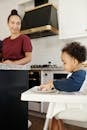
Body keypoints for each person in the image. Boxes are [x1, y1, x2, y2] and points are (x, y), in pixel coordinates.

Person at [40, 42, 87, 130]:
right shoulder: (77, 73)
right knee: (54, 108)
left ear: (75, 61)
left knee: (52, 111)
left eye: (64, 62)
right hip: (74, 103)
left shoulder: (81, 73)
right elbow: (68, 82)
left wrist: (53, 83)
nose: (63, 65)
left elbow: (71, 85)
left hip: (79, 107)